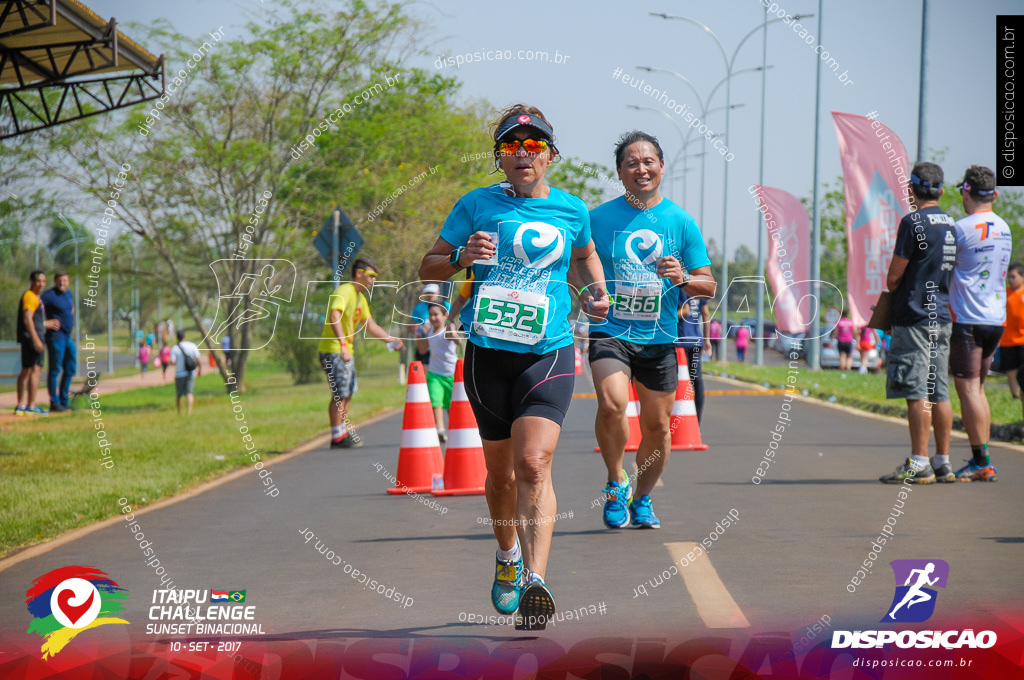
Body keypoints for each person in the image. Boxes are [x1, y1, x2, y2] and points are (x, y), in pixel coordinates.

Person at [418, 104, 609, 630]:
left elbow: (587, 255)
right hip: (488, 355)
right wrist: (459, 257)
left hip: (547, 350)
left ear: (549, 154)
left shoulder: (573, 209)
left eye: (534, 146)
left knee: (534, 465)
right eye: (511, 147)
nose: (523, 154)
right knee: (499, 475)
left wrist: (597, 291)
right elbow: (427, 266)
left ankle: (536, 580)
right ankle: (507, 557)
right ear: (498, 157)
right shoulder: (475, 205)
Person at [587, 130, 715, 531]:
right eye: (631, 163)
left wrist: (682, 278)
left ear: (660, 167)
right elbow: (575, 263)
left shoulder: (680, 221)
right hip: (611, 330)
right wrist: (587, 296)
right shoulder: (597, 219)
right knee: (610, 405)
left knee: (658, 428)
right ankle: (615, 481)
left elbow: (708, 284)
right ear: (620, 172)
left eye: (648, 162)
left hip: (659, 336)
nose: (641, 168)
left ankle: (642, 497)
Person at [879, 162, 957, 484]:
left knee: (916, 389)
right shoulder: (952, 224)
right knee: (939, 389)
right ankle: (943, 461)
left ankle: (919, 462)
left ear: (911, 190)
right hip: (940, 314)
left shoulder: (913, 222)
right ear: (940, 190)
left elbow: (894, 277)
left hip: (915, 318)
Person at [948, 165, 1011, 482]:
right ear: (995, 195)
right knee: (979, 389)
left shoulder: (960, 229)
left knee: (968, 390)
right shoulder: (1005, 226)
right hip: (996, 318)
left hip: (968, 319)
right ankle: (982, 458)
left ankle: (981, 461)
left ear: (965, 191)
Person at [318, 257, 404, 448]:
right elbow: (334, 315)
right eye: (371, 275)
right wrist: (342, 345)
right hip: (333, 350)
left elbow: (370, 325)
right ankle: (336, 436)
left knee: (347, 392)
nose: (373, 280)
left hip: (345, 351)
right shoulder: (344, 291)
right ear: (359, 274)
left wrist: (391, 340)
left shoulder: (360, 298)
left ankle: (341, 432)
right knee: (340, 393)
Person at [416, 303, 462, 442]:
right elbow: (423, 350)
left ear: (445, 316)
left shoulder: (447, 330)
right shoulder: (429, 331)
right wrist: (419, 336)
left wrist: (453, 333)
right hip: (435, 373)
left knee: (450, 405)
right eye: (431, 315)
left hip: (451, 374)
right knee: (436, 400)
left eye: (436, 315)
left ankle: (453, 430)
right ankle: (440, 428)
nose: (433, 318)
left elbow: (458, 342)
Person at [16, 270, 60, 416]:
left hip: (29, 338)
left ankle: (22, 405)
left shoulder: (34, 297)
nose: (41, 284)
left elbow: (33, 319)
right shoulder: (30, 297)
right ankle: (31, 405)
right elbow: (27, 319)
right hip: (32, 339)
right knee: (35, 371)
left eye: (43, 281)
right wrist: (36, 339)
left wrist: (44, 325)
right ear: (32, 281)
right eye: (38, 281)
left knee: (27, 370)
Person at [40, 270, 76, 412]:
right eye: (60, 280)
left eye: (65, 280)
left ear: (68, 281)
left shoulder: (68, 293)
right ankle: (54, 403)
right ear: (55, 281)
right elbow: (34, 309)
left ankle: (64, 401)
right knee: (55, 370)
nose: (62, 283)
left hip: (67, 336)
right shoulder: (48, 296)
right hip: (56, 337)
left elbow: (70, 308)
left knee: (71, 368)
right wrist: (44, 323)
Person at [677, 291, 711, 423]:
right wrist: (707, 340)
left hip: (680, 340)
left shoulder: (680, 287)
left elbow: (685, 310)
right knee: (696, 380)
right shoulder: (699, 288)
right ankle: (697, 421)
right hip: (696, 339)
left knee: (677, 380)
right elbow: (706, 314)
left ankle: (679, 419)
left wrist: (665, 318)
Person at [999, 263, 1024, 405]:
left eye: (1014, 277)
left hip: (1023, 339)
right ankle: (1015, 396)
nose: (1011, 280)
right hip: (1007, 339)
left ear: (1022, 277)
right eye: (1009, 277)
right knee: (1011, 369)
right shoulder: (1005, 293)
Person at [170, 330, 201, 415]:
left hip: (179, 374)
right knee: (189, 392)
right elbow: (198, 359)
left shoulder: (175, 348)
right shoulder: (192, 345)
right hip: (190, 373)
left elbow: (173, 362)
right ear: (185, 336)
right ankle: (189, 412)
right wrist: (199, 370)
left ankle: (179, 412)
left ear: (177, 338)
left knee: (179, 394)